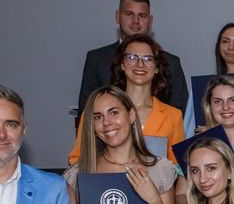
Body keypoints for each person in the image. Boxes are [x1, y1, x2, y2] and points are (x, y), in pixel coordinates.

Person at [68, 35, 184, 167]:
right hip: (106, 180)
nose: (140, 64)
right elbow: (78, 159)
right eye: (132, 58)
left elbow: (178, 168)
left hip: (158, 181)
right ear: (122, 64)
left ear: (157, 67)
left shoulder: (173, 116)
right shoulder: (96, 110)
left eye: (148, 59)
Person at [78, 0, 187, 118]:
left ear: (150, 21)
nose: (135, 21)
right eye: (129, 14)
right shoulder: (97, 59)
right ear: (117, 16)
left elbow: (182, 116)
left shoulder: (170, 62)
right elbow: (86, 113)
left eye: (142, 16)